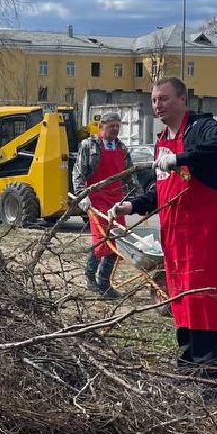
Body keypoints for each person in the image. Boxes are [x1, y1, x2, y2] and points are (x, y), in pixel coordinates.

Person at [113, 77, 217, 394]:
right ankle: (187, 369)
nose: (158, 105)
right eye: (154, 100)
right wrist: (131, 205)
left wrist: (180, 158)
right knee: (179, 298)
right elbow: (160, 191)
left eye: (164, 99)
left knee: (203, 297)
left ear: (183, 99)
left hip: (205, 228)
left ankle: (212, 376)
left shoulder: (201, 127)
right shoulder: (160, 142)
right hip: (175, 231)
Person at [73, 109, 133, 298]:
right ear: (102, 126)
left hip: (117, 201)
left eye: (117, 126)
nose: (115, 129)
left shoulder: (122, 148)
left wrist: (139, 197)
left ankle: (105, 283)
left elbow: (129, 175)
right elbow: (78, 172)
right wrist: (83, 196)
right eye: (111, 126)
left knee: (117, 242)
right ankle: (90, 278)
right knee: (101, 241)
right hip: (97, 200)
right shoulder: (89, 145)